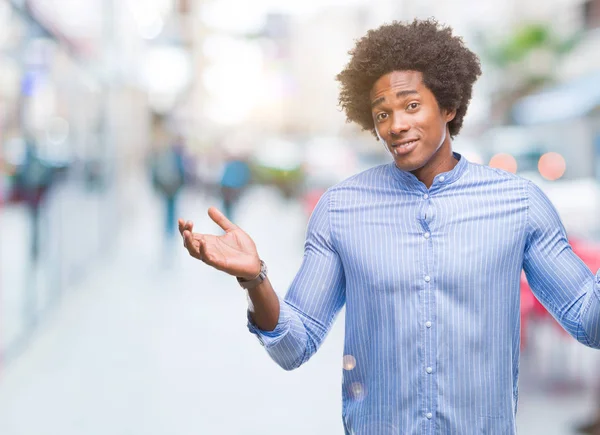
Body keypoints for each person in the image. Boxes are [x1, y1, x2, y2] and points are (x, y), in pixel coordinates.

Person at [178, 19, 600, 434]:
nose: (396, 125)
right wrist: (255, 279)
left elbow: (589, 321)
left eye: (411, 105)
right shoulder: (340, 210)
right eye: (383, 113)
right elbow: (293, 345)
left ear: (449, 106)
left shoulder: (519, 204)